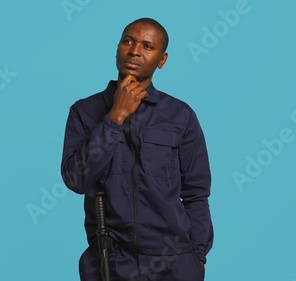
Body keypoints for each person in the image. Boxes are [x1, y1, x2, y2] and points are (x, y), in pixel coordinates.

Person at [61, 17, 213, 281]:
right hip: (111, 263)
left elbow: (197, 194)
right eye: (128, 41)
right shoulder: (84, 112)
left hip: (175, 263)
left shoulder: (180, 115)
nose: (134, 51)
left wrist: (197, 256)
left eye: (147, 46)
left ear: (161, 59)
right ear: (118, 47)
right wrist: (115, 116)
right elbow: (76, 179)